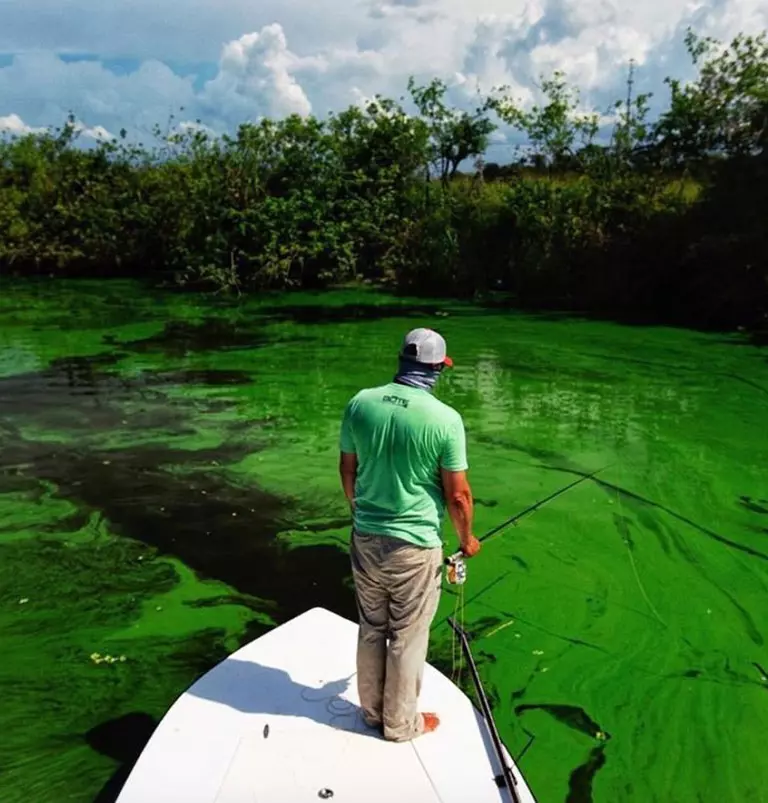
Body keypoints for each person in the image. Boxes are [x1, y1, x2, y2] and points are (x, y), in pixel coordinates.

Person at [338, 326, 481, 743]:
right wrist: (466, 541)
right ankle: (400, 725)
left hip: (364, 536)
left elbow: (348, 470)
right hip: (414, 548)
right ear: (438, 368)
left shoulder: (360, 404)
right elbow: (459, 497)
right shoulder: (445, 420)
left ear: (402, 359)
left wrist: (361, 513)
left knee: (371, 627)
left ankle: (370, 713)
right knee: (406, 637)